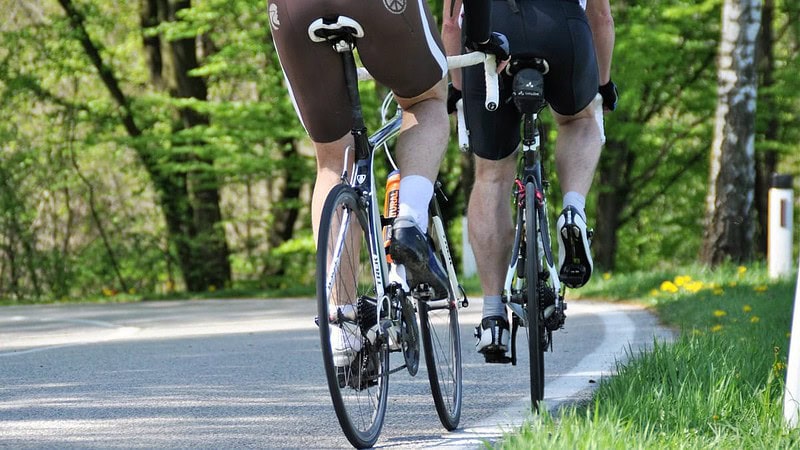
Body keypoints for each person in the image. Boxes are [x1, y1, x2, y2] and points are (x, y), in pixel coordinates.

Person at [268, 0, 508, 365]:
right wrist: (480, 38)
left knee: (333, 161)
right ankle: (409, 221)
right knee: (427, 101)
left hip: (292, 10)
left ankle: (343, 329)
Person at [442, 0, 618, 362]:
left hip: (487, 32)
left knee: (492, 173)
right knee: (579, 121)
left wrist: (459, 91)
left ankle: (492, 315)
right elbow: (600, 16)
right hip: (561, 25)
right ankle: (573, 209)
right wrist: (602, 84)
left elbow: (450, 25)